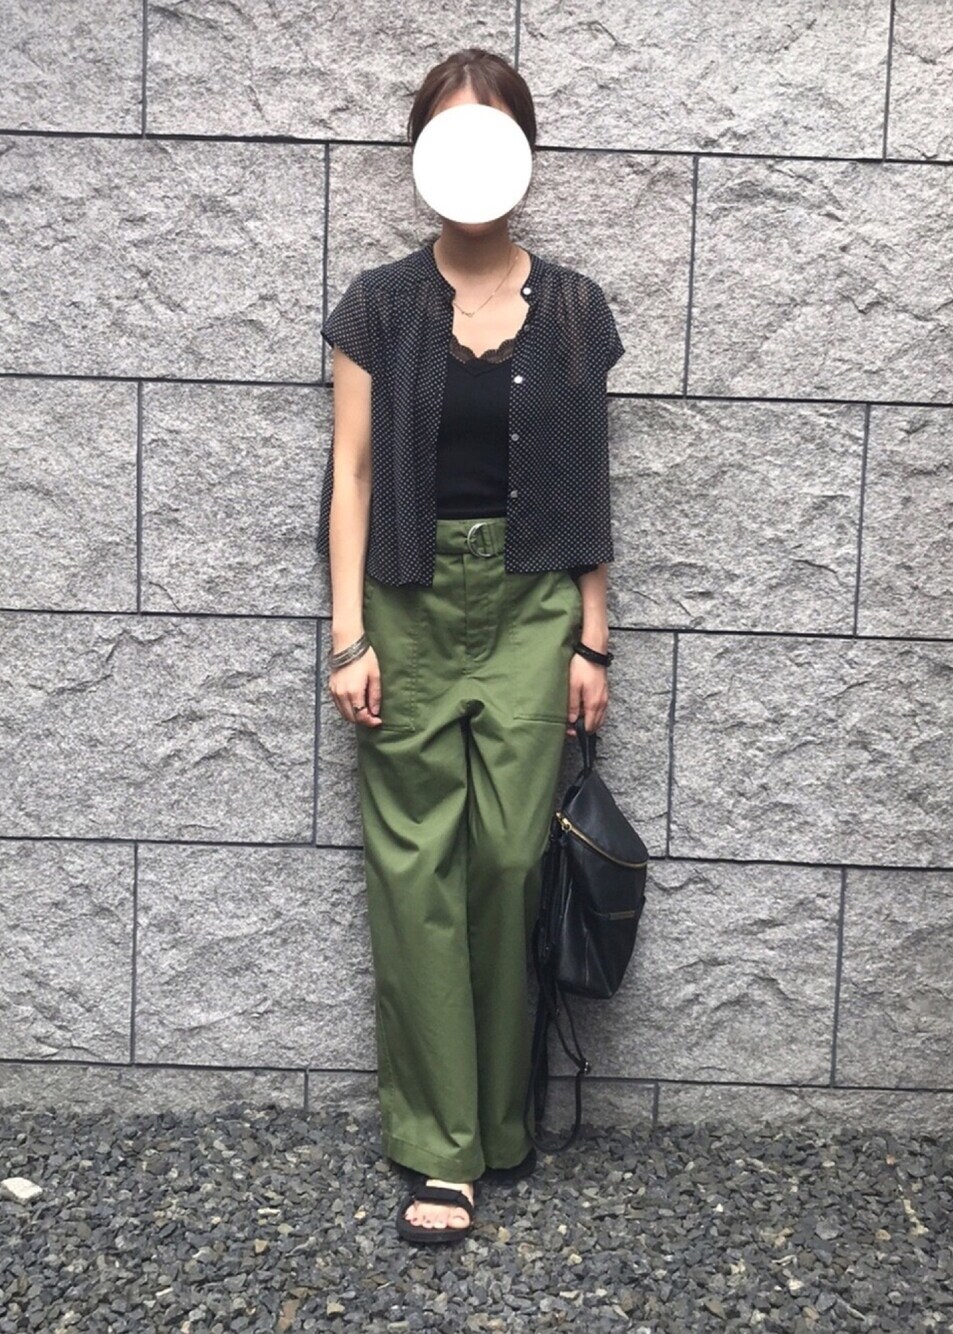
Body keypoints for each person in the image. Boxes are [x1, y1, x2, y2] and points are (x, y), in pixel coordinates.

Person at [322, 48, 624, 1244]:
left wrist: (594, 635)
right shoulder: (377, 306)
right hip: (404, 598)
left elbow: (587, 478)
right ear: (421, 157)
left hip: (532, 603)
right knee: (415, 873)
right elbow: (351, 475)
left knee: (507, 859)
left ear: (523, 155)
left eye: (490, 133)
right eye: (447, 134)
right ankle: (441, 1149)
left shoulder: (577, 310)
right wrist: (347, 635)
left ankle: (502, 1122)